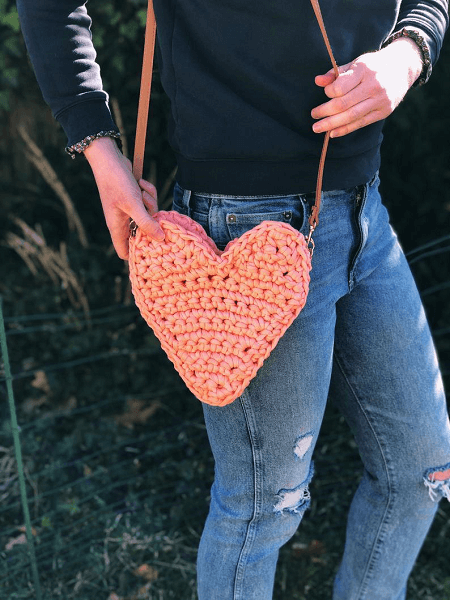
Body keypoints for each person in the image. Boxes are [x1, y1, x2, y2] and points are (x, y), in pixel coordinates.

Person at [17, 1, 450, 598]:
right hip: (242, 226)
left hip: (361, 204)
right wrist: (96, 142)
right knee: (261, 506)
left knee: (422, 469)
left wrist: (409, 52)